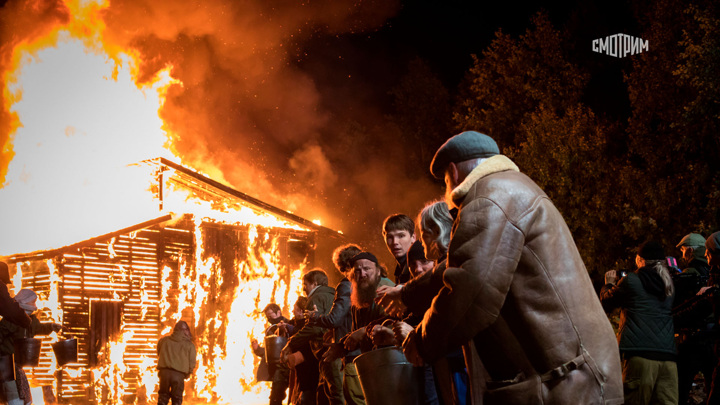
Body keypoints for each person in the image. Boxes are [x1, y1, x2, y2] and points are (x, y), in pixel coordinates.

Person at [403, 131, 623, 404]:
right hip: (577, 375)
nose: (446, 192)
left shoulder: (488, 197)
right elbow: (465, 265)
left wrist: (422, 342)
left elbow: (472, 290)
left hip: (567, 383)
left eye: (445, 182)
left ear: (453, 173)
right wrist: (406, 293)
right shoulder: (512, 188)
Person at [600, 241, 678, 404]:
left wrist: (608, 284)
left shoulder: (631, 280)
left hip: (639, 355)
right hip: (668, 358)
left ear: (640, 260)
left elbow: (607, 303)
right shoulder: (669, 283)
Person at [304, 244, 361, 405]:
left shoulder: (345, 285)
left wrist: (315, 318)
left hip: (348, 349)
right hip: (363, 348)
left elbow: (334, 319)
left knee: (345, 395)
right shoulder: (369, 283)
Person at [282, 270, 337, 404]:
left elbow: (314, 327)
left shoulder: (316, 298)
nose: (303, 288)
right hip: (334, 349)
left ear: (315, 283)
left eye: (305, 284)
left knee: (334, 394)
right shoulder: (333, 295)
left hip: (326, 350)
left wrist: (291, 343)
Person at [672, 232, 715, 404]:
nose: (682, 255)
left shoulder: (688, 274)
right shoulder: (713, 272)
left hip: (692, 339)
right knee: (713, 386)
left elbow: (675, 302)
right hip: (712, 338)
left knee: (680, 388)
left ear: (690, 250)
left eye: (683, 250)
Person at [0, 289, 63, 405]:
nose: (34, 305)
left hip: (18, 364)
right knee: (13, 394)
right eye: (32, 302)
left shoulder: (32, 320)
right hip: (6, 363)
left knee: (25, 396)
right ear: (25, 301)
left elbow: (39, 328)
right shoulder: (11, 319)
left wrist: (51, 327)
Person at [252, 303, 293, 405]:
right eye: (267, 317)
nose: (269, 318)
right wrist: (257, 349)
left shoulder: (290, 325)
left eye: (271, 315)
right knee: (275, 398)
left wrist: (284, 330)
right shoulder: (270, 330)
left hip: (286, 367)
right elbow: (270, 352)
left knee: (277, 397)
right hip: (276, 369)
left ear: (278, 312)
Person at [157, 320, 196, 405]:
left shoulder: (164, 340)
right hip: (178, 375)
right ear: (185, 331)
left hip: (164, 374)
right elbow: (192, 362)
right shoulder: (189, 345)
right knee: (177, 399)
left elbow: (159, 352)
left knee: (162, 398)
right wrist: (188, 373)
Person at [382, 214, 416, 285]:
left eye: (401, 236)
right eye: (390, 237)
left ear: (413, 237)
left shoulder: (417, 265)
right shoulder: (400, 267)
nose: (395, 242)